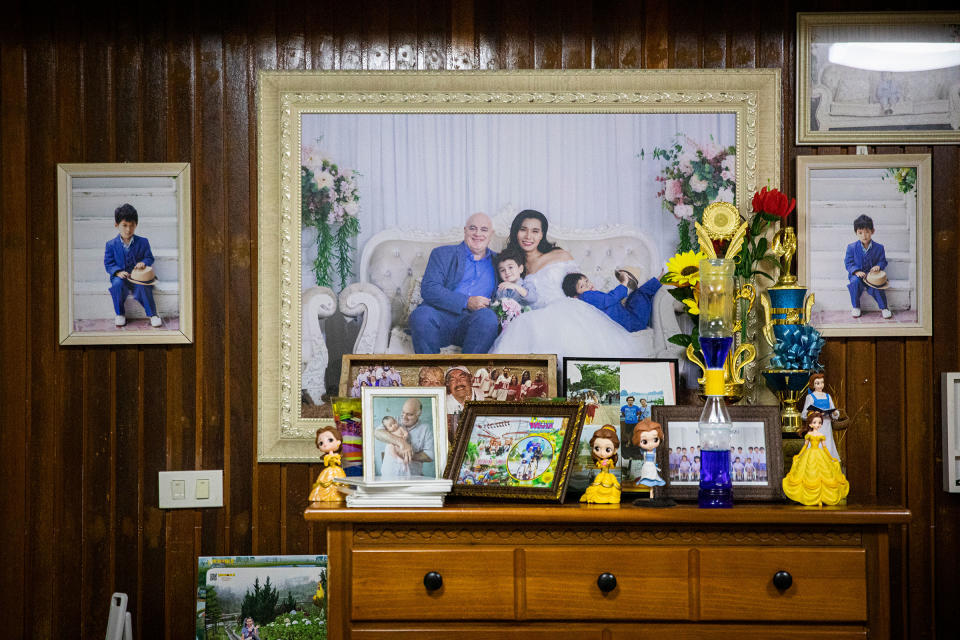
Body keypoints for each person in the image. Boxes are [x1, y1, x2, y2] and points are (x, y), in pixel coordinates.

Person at [490, 210, 648, 361]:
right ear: (516, 232)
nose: (528, 236)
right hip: (533, 317)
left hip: (565, 309)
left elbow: (579, 283)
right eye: (523, 230)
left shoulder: (559, 255)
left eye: (535, 231)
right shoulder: (510, 265)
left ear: (542, 234)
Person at [409, 212, 500, 353]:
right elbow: (429, 288)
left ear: (491, 234)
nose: (478, 233)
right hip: (440, 319)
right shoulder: (442, 254)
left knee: (488, 318)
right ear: (465, 230)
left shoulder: (500, 261)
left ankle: (466, 372)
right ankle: (431, 372)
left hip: (475, 324)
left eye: (484, 229)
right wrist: (466, 301)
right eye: (472, 228)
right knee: (421, 315)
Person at [104, 203, 162, 328]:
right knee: (117, 285)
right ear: (116, 225)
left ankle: (152, 314)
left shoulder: (143, 242)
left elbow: (149, 257)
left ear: (136, 225)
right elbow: (108, 264)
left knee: (144, 287)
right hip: (121, 277)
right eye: (124, 225)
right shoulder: (111, 245)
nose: (128, 230)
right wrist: (118, 272)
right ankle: (120, 313)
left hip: (138, 277)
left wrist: (144, 262)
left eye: (132, 226)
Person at [782, 411, 850, 507]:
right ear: (810, 424)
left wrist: (831, 457)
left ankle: (823, 497)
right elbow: (805, 446)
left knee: (824, 473)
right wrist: (799, 455)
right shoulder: (809, 434)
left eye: (819, 422)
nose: (817, 425)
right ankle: (808, 497)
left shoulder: (820, 436)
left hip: (819, 453)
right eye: (815, 422)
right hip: (810, 453)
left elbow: (825, 448)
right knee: (809, 472)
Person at [561, 270, 661, 332]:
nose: (587, 285)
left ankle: (659, 279)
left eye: (586, 281)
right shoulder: (586, 295)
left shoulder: (587, 297)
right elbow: (609, 299)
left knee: (634, 296)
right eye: (582, 286)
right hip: (633, 323)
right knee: (640, 293)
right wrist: (624, 282)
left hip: (627, 316)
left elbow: (608, 303)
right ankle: (663, 275)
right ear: (575, 296)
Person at [844, 214, 892, 319]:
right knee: (854, 283)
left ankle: (884, 308)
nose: (864, 236)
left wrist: (878, 266)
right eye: (860, 233)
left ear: (872, 231)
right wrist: (856, 271)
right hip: (858, 275)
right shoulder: (851, 247)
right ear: (856, 233)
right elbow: (848, 263)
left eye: (867, 232)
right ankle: (856, 306)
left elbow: (882, 261)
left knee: (878, 286)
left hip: (872, 276)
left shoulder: (879, 248)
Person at [373, 397, 435, 477]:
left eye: (409, 414)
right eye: (403, 412)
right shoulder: (394, 421)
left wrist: (407, 454)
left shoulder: (425, 429)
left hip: (412, 476)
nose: (404, 417)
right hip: (389, 474)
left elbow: (430, 456)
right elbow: (377, 432)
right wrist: (401, 442)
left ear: (418, 414)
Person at [800, 372, 842, 462]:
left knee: (827, 443)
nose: (820, 385)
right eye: (817, 383)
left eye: (822, 382)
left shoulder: (827, 396)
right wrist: (813, 413)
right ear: (813, 384)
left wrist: (834, 413)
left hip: (827, 425)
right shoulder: (810, 397)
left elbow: (834, 410)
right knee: (817, 445)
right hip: (817, 426)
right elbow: (804, 415)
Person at [580, 425, 621, 504]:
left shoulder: (609, 461)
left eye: (607, 449)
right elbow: (598, 466)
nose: (602, 453)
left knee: (610, 487)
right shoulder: (599, 461)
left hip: (607, 475)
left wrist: (608, 463)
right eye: (597, 449)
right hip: (601, 474)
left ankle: (609, 498)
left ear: (615, 450)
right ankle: (593, 497)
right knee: (596, 485)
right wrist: (600, 464)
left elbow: (612, 466)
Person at [308, 425, 346, 503]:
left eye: (330, 440)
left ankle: (338, 495)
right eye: (321, 443)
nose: (325, 444)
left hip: (337, 470)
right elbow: (326, 464)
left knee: (338, 482)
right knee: (325, 482)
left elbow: (338, 462)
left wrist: (335, 458)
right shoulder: (327, 457)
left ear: (338, 442)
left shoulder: (337, 455)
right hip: (328, 470)